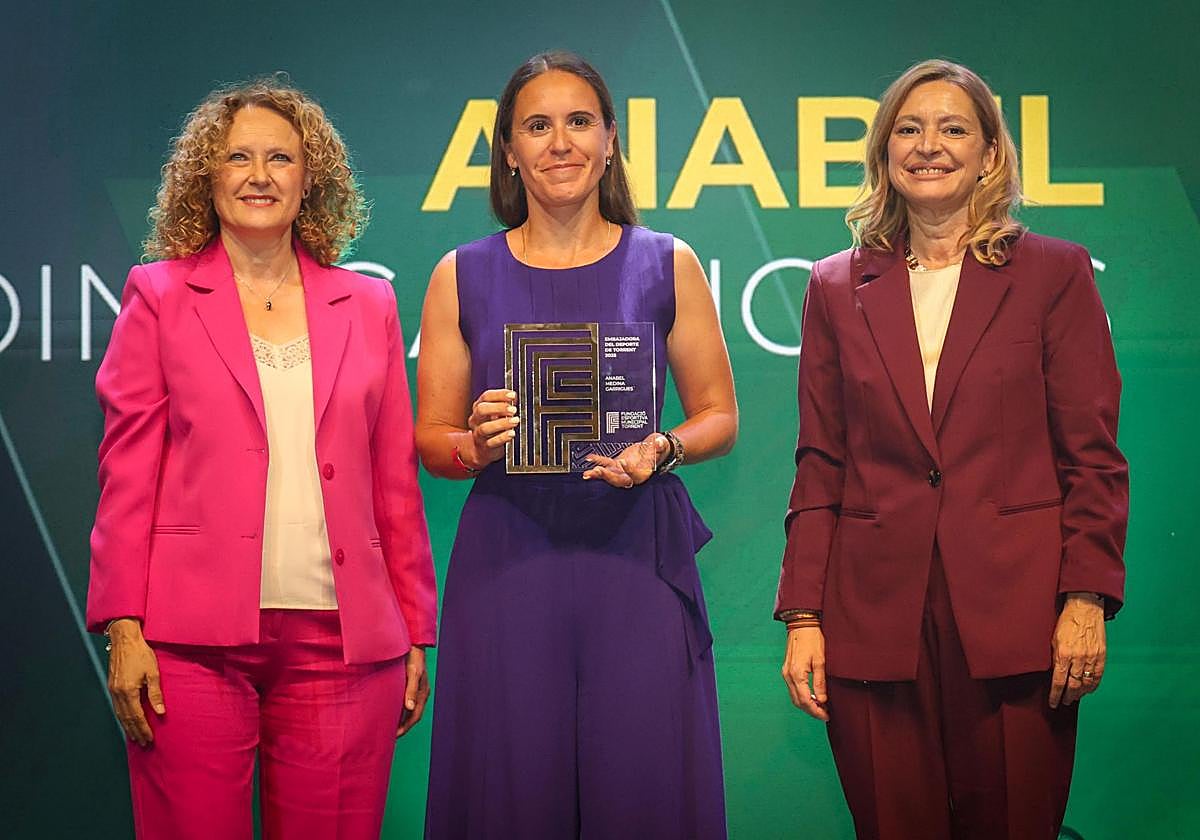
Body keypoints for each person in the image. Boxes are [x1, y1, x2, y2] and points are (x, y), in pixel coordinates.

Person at [776, 59, 1128, 840]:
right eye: (909, 128)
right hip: (872, 619)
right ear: (883, 153)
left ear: (990, 155)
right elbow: (821, 461)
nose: (928, 145)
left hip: (1020, 615)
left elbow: (1092, 455)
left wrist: (1086, 596)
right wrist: (804, 614)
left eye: (952, 128)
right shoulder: (836, 286)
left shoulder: (1054, 273)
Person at [86, 78, 437, 840]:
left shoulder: (368, 304)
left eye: (280, 158)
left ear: (310, 179)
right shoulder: (158, 295)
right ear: (205, 176)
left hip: (344, 645)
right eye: (237, 157)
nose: (258, 175)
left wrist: (413, 629)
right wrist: (123, 623)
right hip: (187, 642)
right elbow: (126, 475)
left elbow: (393, 484)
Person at [417, 51, 737, 838]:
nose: (559, 142)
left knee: (645, 779)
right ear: (508, 150)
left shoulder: (669, 262)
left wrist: (660, 449)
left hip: (635, 558)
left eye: (578, 122)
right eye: (537, 125)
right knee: (509, 785)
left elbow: (718, 416)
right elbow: (433, 439)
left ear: (609, 140)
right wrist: (478, 445)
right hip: (508, 560)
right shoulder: (459, 274)